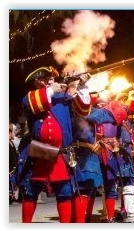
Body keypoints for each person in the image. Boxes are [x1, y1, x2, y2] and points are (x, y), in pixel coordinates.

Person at [17, 66, 91, 223]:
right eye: (47, 79)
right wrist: (53, 89)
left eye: (52, 78)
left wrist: (81, 86)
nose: (51, 81)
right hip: (39, 154)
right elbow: (36, 101)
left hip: (61, 154)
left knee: (64, 193)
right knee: (31, 193)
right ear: (37, 82)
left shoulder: (62, 97)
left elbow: (84, 110)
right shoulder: (30, 98)